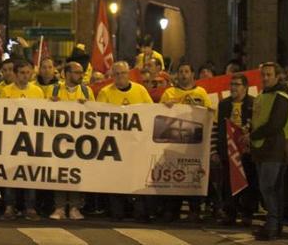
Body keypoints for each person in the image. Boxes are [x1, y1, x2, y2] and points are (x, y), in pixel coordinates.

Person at [250, 62, 288, 241]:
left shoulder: (281, 98)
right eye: (263, 74)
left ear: (277, 76)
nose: (265, 78)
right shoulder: (263, 96)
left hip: (273, 149)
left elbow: (275, 125)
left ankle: (272, 227)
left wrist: (251, 135)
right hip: (262, 148)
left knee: (268, 189)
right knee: (272, 190)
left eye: (269, 75)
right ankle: (274, 226)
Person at [97, 61, 153, 222]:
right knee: (116, 180)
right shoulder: (105, 92)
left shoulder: (140, 90)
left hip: (136, 145)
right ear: (112, 76)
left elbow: (151, 112)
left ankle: (140, 212)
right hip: (114, 146)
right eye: (117, 74)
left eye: (123, 73)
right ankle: (117, 211)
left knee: (137, 179)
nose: (120, 76)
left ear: (128, 74)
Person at [158, 61, 212, 222]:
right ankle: (171, 209)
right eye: (180, 72)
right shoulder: (169, 93)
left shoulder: (201, 93)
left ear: (192, 74)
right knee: (174, 175)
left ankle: (194, 209)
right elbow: (158, 115)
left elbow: (209, 116)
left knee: (192, 176)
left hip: (194, 144)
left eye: (186, 71)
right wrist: (165, 106)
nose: (183, 74)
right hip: (173, 142)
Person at [47, 61, 92, 221]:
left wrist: (87, 107)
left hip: (79, 139)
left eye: (81, 72)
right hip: (58, 138)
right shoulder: (54, 89)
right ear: (66, 74)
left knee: (76, 174)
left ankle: (74, 207)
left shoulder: (87, 91)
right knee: (59, 174)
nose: (81, 75)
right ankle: (59, 207)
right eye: (76, 72)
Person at [0, 60, 42, 221]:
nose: (25, 76)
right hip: (11, 139)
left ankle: (30, 208)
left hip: (30, 139)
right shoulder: (6, 91)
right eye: (22, 73)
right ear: (15, 74)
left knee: (29, 175)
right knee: (10, 174)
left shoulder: (37, 92)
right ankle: (9, 207)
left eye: (28, 72)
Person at [216, 73, 257, 227]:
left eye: (237, 84)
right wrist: (217, 150)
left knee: (249, 182)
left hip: (246, 150)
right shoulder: (224, 104)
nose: (233, 87)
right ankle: (230, 213)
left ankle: (247, 213)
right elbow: (219, 127)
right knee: (228, 182)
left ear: (245, 87)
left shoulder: (254, 103)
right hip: (229, 149)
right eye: (231, 84)